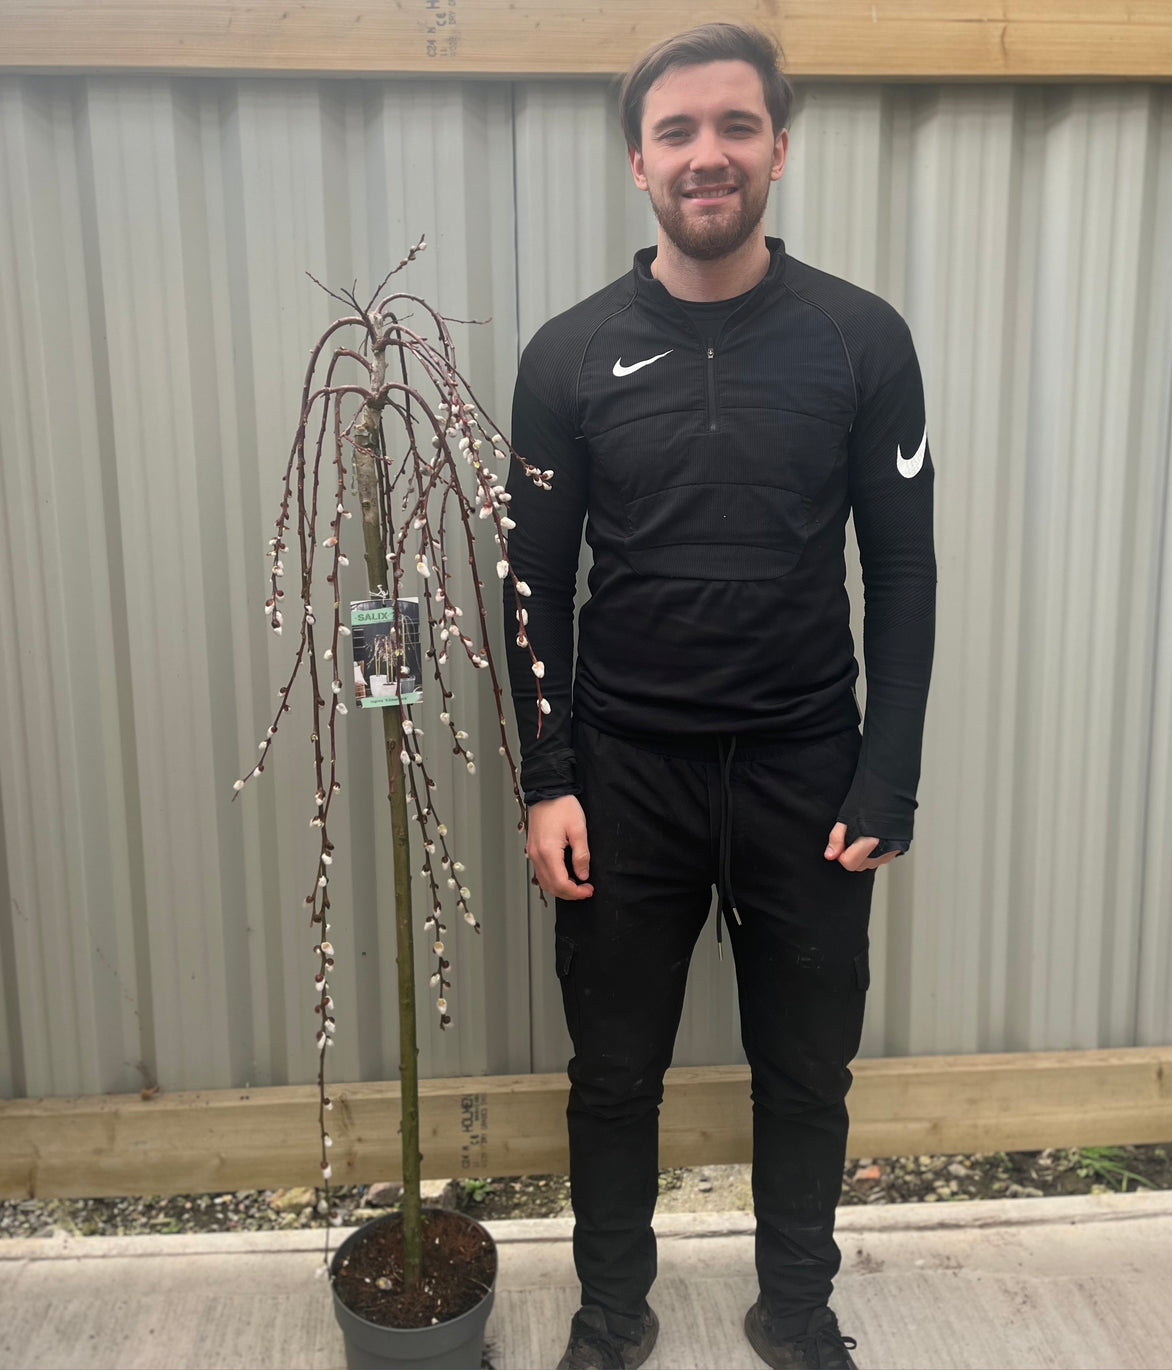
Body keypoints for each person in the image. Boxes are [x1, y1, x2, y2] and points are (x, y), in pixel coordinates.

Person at [503, 22, 935, 1370]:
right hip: (624, 776)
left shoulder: (859, 340)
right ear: (638, 163)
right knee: (611, 1074)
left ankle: (794, 1311)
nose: (709, 154)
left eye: (736, 126)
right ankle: (611, 1312)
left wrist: (888, 775)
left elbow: (903, 573)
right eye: (677, 131)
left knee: (807, 1071)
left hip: (809, 774)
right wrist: (547, 778)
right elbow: (533, 586)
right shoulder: (568, 356)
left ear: (778, 149)